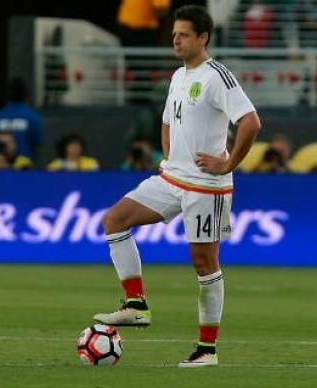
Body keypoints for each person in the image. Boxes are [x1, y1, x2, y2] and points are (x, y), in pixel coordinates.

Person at [93, 5, 261, 367]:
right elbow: (168, 120)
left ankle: (207, 350)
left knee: (203, 262)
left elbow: (250, 122)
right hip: (172, 179)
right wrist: (170, 156)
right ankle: (136, 305)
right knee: (115, 220)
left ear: (203, 38)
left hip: (206, 185)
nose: (176, 40)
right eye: (174, 35)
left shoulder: (218, 76)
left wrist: (228, 163)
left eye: (183, 35)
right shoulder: (177, 77)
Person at [0, 77, 45, 160]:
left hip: (1, 169)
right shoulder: (33, 117)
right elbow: (38, 146)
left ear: (8, 94)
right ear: (27, 94)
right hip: (25, 167)